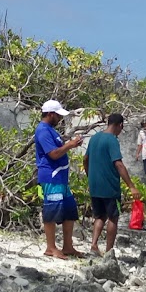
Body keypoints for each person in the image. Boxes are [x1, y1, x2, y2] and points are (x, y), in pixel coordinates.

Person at [84, 113, 142, 256]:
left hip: (94, 185)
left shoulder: (94, 138)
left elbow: (85, 159)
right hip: (109, 186)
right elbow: (119, 164)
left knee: (99, 216)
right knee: (113, 217)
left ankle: (94, 245)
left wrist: (89, 175)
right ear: (120, 125)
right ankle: (109, 251)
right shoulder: (112, 140)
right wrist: (131, 186)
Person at [35, 99, 84, 258]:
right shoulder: (43, 130)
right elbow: (53, 154)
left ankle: (68, 246)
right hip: (51, 176)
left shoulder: (51, 130)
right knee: (51, 209)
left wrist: (72, 145)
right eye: (58, 115)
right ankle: (50, 247)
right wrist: (70, 144)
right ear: (50, 114)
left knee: (70, 210)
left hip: (61, 178)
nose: (60, 119)